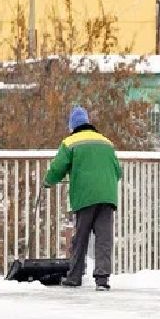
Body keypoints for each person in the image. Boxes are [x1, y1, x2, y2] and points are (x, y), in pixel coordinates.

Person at [44, 105, 122, 290]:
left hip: (85, 196)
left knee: (80, 237)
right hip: (107, 195)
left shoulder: (70, 142)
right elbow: (118, 171)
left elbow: (58, 167)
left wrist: (48, 182)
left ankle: (74, 276)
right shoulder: (106, 142)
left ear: (72, 126)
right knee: (104, 239)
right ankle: (102, 279)